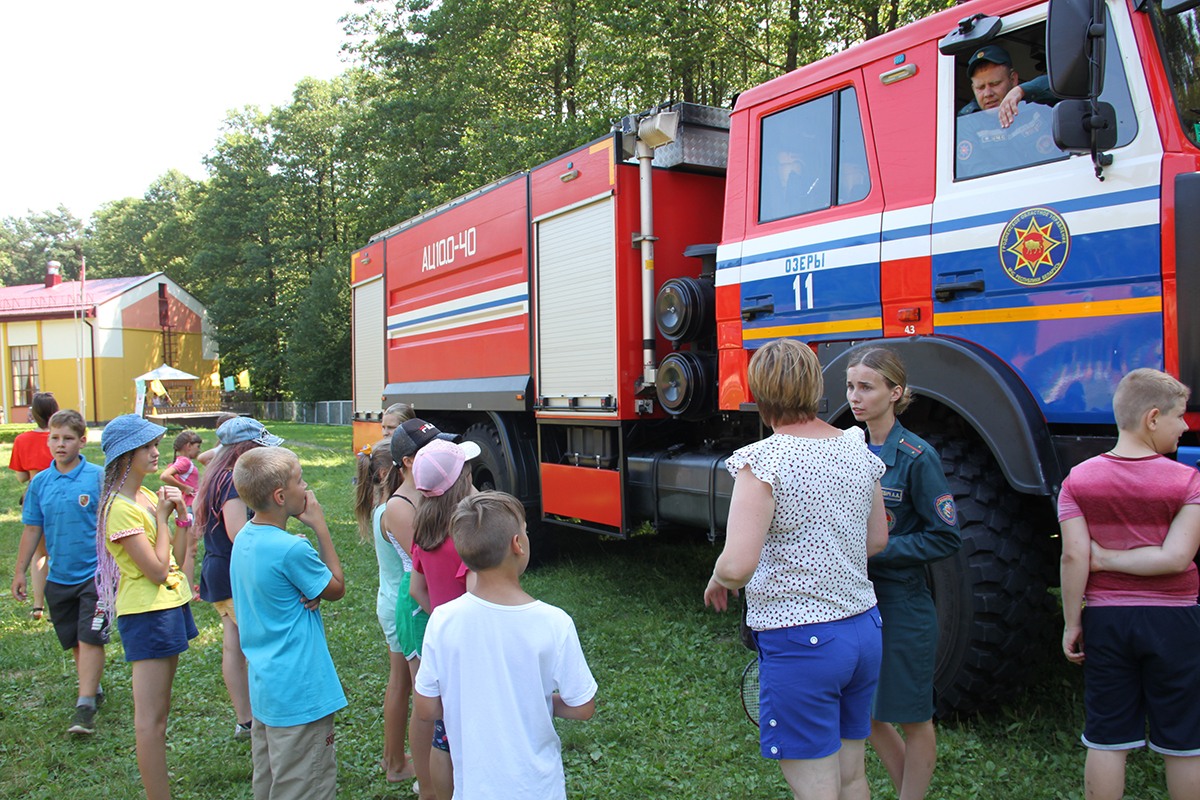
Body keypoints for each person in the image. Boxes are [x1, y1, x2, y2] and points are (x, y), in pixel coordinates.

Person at [704, 338, 888, 800]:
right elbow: (878, 539)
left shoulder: (763, 461)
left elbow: (739, 564)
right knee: (851, 778)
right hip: (863, 631)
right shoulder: (857, 450)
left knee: (816, 788)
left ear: (759, 394)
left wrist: (719, 577)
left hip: (804, 640)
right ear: (815, 385)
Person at [1058, 368, 1200, 800]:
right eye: (1180, 416)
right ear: (1153, 418)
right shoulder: (1188, 482)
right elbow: (1177, 558)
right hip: (1176, 621)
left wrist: (1071, 622)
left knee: (1106, 738)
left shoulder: (1078, 481)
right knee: (1184, 741)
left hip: (1107, 618)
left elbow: (1073, 556)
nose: (1186, 425)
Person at [414, 491, 597, 799]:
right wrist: (533, 699)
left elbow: (425, 707)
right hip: (538, 789)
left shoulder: (443, 620)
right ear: (517, 544)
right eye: (524, 530)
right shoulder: (554, 622)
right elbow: (583, 706)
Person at [846, 348, 961, 800]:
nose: (855, 397)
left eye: (867, 387)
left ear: (895, 393)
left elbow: (945, 537)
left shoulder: (917, 456)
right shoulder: (846, 447)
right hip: (857, 602)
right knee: (868, 715)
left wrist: (879, 550)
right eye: (851, 386)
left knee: (914, 716)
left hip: (903, 603)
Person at [228, 447, 347, 800]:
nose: (306, 486)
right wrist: (320, 528)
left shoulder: (245, 538)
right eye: (299, 481)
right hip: (301, 693)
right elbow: (336, 588)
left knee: (270, 784)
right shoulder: (293, 551)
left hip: (267, 690)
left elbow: (278, 576)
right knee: (304, 786)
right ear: (281, 496)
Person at [95, 414, 195, 800]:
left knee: (161, 715)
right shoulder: (120, 508)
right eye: (147, 447)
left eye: (156, 445)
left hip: (168, 606)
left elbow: (177, 558)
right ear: (125, 455)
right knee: (150, 722)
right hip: (148, 613)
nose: (157, 453)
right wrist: (161, 517)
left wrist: (181, 518)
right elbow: (155, 571)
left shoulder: (147, 496)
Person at [10, 409, 107, 735]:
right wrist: (20, 571)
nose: (60, 444)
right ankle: (91, 685)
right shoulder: (40, 483)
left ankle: (85, 707)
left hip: (94, 575)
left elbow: (114, 520)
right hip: (58, 577)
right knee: (75, 641)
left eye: (68, 438)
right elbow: (32, 529)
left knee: (90, 636)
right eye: (55, 438)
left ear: (82, 440)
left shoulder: (97, 477)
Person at [194, 416, 283, 740]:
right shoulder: (232, 481)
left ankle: (245, 719)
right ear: (246, 450)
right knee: (256, 644)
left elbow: (208, 456)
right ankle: (263, 716)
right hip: (233, 573)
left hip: (217, 571)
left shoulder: (215, 471)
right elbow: (237, 532)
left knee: (233, 646)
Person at [385, 418, 460, 799]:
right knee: (425, 701)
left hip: (434, 599)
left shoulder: (430, 494)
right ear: (410, 462)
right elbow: (430, 558)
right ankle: (427, 786)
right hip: (420, 605)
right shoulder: (399, 506)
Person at [410, 436, 482, 800]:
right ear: (463, 483)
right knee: (473, 729)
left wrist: (440, 617)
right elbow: (475, 593)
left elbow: (416, 589)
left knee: (443, 734)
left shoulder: (424, 531)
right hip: (471, 647)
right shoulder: (466, 536)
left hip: (441, 644)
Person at [355, 439, 415, 784]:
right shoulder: (392, 511)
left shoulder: (383, 508)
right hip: (398, 605)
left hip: (390, 600)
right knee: (402, 685)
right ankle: (395, 763)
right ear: (385, 472)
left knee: (400, 684)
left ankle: (393, 756)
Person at [9, 391, 59, 619]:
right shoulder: (61, 437)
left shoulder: (22, 440)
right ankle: (57, 606)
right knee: (58, 552)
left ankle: (38, 605)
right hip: (60, 494)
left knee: (39, 553)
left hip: (34, 496)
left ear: (33, 413)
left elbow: (21, 478)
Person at [958, 45, 1057, 128]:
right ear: (973, 88)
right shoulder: (966, 120)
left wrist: (1021, 91)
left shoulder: (1036, 103)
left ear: (1013, 79)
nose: (988, 94)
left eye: (995, 84)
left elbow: (1065, 84)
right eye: (980, 87)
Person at [160, 430, 203, 589]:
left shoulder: (182, 461)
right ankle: (189, 590)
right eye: (197, 446)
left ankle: (188, 583)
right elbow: (165, 476)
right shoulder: (184, 461)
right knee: (190, 551)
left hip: (187, 508)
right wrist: (185, 487)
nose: (199, 450)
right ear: (188, 445)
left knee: (188, 549)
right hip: (189, 508)